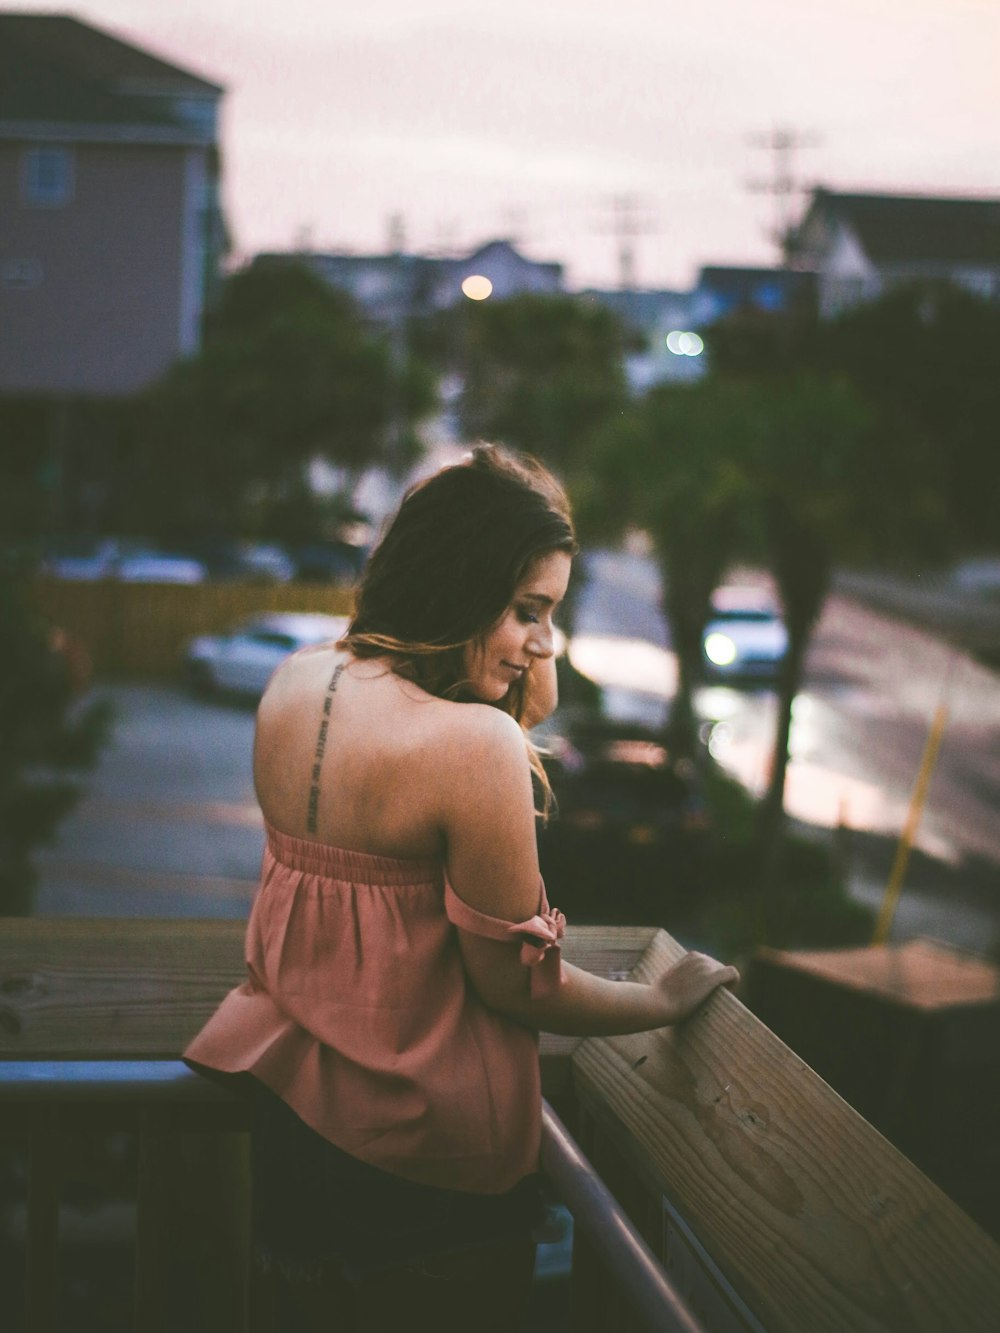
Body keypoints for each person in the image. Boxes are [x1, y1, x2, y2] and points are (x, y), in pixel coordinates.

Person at [184, 444, 738, 1331]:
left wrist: (521, 625)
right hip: (424, 1175)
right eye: (530, 610)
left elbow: (527, 698)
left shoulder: (296, 680)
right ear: (461, 581)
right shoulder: (469, 748)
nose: (545, 643)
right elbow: (515, 981)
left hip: (292, 1142)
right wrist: (659, 1001)